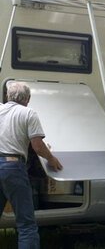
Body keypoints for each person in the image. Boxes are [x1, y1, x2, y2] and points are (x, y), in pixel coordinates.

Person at [0, 81, 63, 249]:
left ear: (7, 96)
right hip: (13, 167)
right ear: (28, 99)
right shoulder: (28, 113)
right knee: (26, 224)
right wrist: (52, 159)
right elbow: (38, 146)